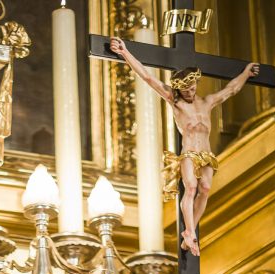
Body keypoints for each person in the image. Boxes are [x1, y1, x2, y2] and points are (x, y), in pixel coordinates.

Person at [109, 38, 258, 256]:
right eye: (185, 89)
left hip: (207, 154)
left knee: (205, 189)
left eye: (192, 87)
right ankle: (189, 231)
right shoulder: (175, 101)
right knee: (190, 188)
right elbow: (148, 77)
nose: (189, 92)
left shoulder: (207, 102)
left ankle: (190, 232)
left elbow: (231, 89)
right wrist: (125, 53)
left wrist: (246, 73)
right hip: (189, 153)